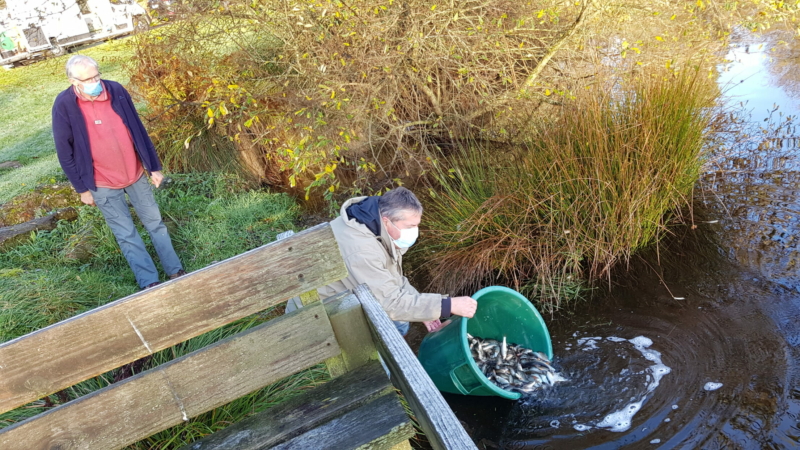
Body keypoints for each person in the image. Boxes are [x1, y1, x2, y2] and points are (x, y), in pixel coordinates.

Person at [52, 54, 185, 290]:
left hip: (134, 173)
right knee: (126, 234)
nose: (95, 82)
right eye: (87, 79)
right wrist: (81, 188)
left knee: (155, 223)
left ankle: (175, 270)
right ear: (74, 81)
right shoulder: (64, 105)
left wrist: (153, 166)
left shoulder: (116, 90)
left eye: (96, 75)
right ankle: (149, 282)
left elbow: (137, 128)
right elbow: (65, 152)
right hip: (100, 182)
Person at [317, 187, 478, 335]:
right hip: (321, 312)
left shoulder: (374, 224)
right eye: (410, 226)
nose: (415, 232)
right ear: (387, 221)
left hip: (347, 294)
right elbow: (389, 303)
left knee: (402, 322)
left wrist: (427, 311)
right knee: (397, 324)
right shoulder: (362, 250)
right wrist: (448, 305)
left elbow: (392, 278)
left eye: (416, 225)